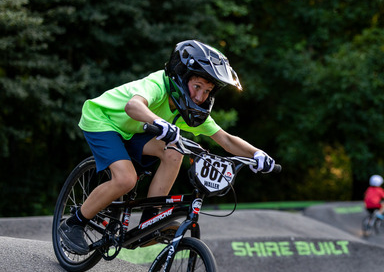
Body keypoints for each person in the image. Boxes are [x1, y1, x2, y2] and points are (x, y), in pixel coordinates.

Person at [59, 39, 275, 254]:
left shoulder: (186, 109)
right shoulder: (158, 85)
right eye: (197, 87)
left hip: (134, 130)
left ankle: (151, 219)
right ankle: (74, 224)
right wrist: (159, 122)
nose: (200, 97)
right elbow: (133, 105)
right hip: (104, 120)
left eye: (207, 91)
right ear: (181, 77)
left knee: (175, 151)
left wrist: (256, 153)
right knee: (126, 179)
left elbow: (225, 139)